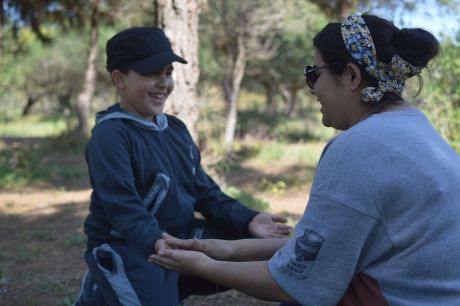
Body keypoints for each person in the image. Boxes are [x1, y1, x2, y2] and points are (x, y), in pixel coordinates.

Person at [150, 13, 460, 306]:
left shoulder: (360, 147)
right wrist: (225, 249)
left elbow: (295, 283)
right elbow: (322, 248)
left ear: (351, 76)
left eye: (314, 73)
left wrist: (204, 266)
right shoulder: (417, 128)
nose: (311, 87)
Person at [74, 26, 292, 306]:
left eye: (167, 72)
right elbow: (123, 208)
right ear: (119, 79)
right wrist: (156, 242)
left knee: (273, 256)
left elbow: (205, 192)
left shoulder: (175, 129)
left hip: (179, 237)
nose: (163, 83)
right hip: (129, 245)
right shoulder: (111, 136)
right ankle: (105, 283)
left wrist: (248, 219)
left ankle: (162, 285)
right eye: (151, 73)